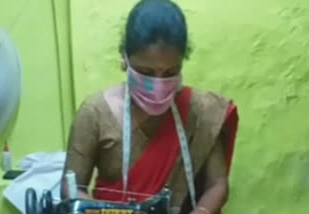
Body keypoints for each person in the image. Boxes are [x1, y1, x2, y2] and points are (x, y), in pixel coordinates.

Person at [61, 0, 238, 214]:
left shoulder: (201, 112)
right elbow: (70, 189)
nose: (158, 83)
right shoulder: (95, 113)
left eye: (171, 72)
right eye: (145, 72)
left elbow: (217, 185)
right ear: (124, 59)